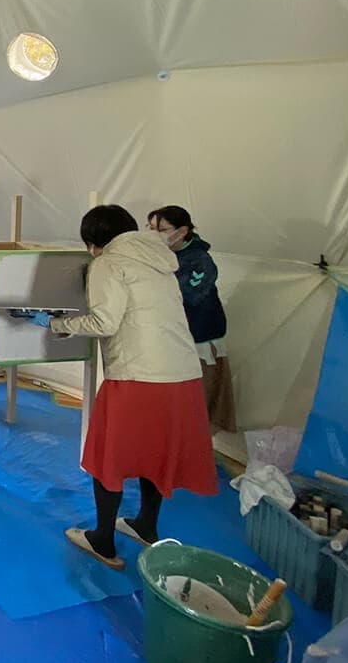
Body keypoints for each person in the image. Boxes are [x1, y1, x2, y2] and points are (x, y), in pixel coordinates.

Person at [25, 205, 216, 570]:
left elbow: (105, 322)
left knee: (107, 458)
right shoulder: (159, 260)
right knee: (156, 454)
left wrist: (56, 324)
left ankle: (103, 540)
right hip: (182, 376)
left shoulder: (108, 262)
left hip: (137, 377)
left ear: (94, 241)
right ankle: (146, 525)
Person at [147, 206, 236, 433]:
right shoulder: (157, 255)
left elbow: (188, 295)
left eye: (161, 230)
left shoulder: (200, 261)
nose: (153, 235)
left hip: (198, 343)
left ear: (182, 231)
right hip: (170, 341)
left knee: (196, 407)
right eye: (150, 228)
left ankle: (196, 446)